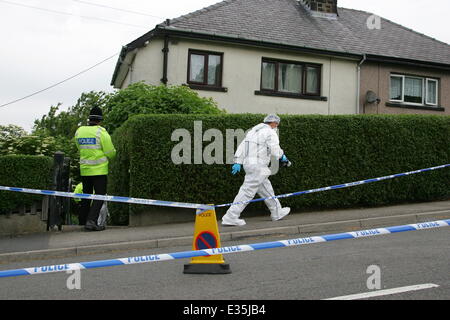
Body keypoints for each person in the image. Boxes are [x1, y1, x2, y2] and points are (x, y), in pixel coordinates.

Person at [222, 114, 291, 226]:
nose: (276, 126)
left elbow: (242, 147)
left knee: (266, 188)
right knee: (247, 191)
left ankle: (277, 212)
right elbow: (274, 149)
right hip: (258, 165)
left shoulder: (252, 131)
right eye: (276, 124)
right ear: (274, 123)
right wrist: (282, 157)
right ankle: (231, 216)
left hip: (251, 165)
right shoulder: (270, 132)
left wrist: (238, 161)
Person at [74, 106, 116, 231]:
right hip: (99, 171)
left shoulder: (79, 131)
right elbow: (110, 152)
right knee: (100, 196)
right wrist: (113, 153)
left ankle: (83, 221)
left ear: (89, 119)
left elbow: (79, 147)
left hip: (85, 169)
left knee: (86, 196)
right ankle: (91, 221)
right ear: (100, 120)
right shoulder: (101, 132)